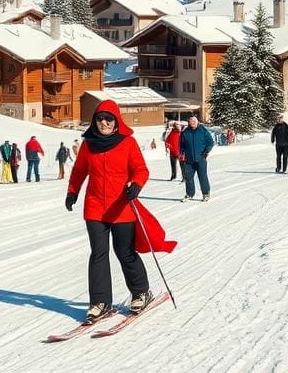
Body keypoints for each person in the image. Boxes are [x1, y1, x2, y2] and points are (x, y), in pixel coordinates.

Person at [65, 99, 162, 323]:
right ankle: (100, 302)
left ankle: (140, 292)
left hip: (121, 207)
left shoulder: (127, 143)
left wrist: (136, 184)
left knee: (124, 251)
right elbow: (79, 171)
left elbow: (140, 169)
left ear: (117, 121)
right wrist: (72, 192)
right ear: (95, 121)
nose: (104, 123)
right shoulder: (89, 144)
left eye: (109, 119)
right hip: (95, 206)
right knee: (98, 254)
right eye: (100, 119)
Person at [180, 115, 214, 201]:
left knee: (202, 176)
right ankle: (189, 194)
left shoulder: (202, 130)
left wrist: (206, 151)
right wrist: (182, 152)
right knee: (188, 177)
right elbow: (182, 144)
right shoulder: (185, 132)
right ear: (189, 122)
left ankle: (206, 193)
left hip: (201, 158)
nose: (193, 123)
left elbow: (210, 142)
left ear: (197, 122)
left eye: (194, 121)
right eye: (191, 121)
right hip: (189, 159)